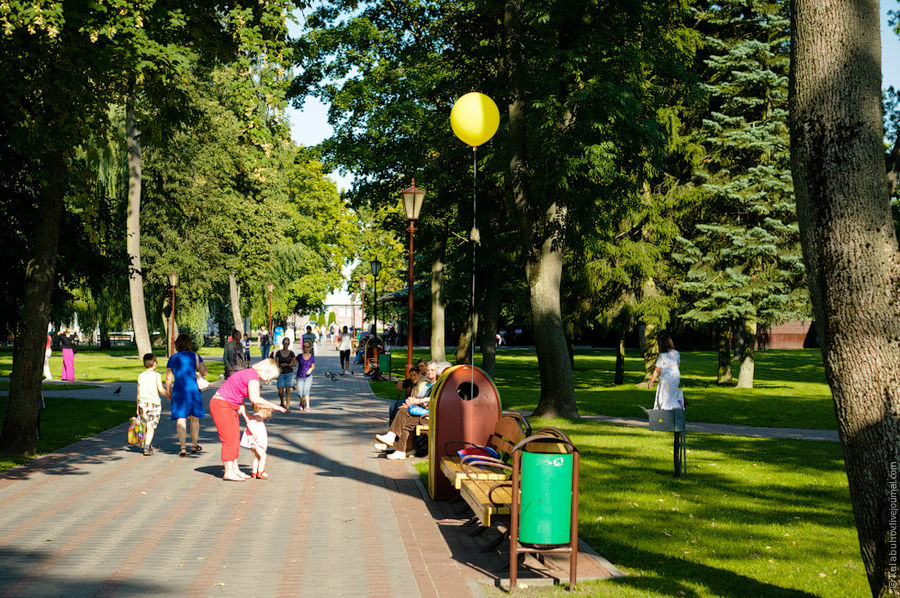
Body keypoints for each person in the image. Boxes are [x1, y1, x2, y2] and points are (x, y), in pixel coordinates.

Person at [208, 359, 285, 481]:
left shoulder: (249, 374)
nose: (269, 381)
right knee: (229, 439)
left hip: (230, 405)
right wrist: (274, 406)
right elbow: (255, 399)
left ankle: (235, 469)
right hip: (222, 405)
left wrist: (247, 417)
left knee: (234, 438)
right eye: (271, 377)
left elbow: (239, 397)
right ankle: (228, 471)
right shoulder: (253, 377)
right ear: (266, 371)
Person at [374, 361, 438, 459]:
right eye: (428, 370)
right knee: (403, 412)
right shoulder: (428, 384)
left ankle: (396, 446)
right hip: (422, 411)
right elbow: (420, 398)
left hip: (429, 415)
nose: (430, 372)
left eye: (433, 370)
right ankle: (396, 443)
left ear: (437, 371)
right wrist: (412, 402)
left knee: (405, 416)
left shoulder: (437, 385)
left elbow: (432, 400)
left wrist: (416, 401)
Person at [166, 333, 208, 457]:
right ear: (189, 344)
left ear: (177, 345)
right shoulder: (195, 356)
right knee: (194, 419)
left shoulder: (173, 358)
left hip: (179, 391)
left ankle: (183, 447)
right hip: (193, 391)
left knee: (181, 419)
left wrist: (168, 391)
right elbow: (204, 372)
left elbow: (169, 378)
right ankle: (194, 444)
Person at [136, 353, 168, 456]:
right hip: (154, 404)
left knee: (144, 425)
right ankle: (147, 446)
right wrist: (170, 396)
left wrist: (137, 406)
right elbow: (160, 389)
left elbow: (138, 391)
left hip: (142, 403)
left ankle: (146, 443)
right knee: (151, 426)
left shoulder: (140, 376)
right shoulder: (157, 375)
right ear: (154, 363)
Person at [648, 333, 683, 409]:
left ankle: (663, 416)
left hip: (665, 379)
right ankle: (674, 414)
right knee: (673, 397)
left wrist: (651, 382)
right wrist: (679, 381)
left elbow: (657, 370)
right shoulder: (676, 353)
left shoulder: (662, 355)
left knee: (663, 398)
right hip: (675, 378)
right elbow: (677, 367)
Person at [239, 405, 272, 479]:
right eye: (267, 415)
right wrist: (253, 433)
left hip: (254, 442)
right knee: (263, 456)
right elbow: (249, 424)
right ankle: (260, 472)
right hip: (257, 441)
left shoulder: (256, 417)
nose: (266, 417)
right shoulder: (257, 417)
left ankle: (254, 472)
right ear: (264, 411)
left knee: (257, 457)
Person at [274, 336, 297, 411]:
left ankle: (287, 407)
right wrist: (278, 368)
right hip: (281, 373)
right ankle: (282, 402)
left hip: (289, 373)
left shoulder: (291, 353)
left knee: (288, 390)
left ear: (289, 344)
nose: (286, 344)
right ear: (282, 343)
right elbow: (276, 363)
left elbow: (295, 363)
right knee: (280, 391)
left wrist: (287, 365)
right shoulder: (278, 353)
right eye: (285, 342)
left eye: (287, 342)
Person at [294, 341, 316, 411]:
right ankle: (301, 402)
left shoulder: (311, 357)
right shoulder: (299, 356)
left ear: (310, 348)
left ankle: (308, 406)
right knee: (300, 392)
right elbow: (294, 364)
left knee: (306, 390)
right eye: (304, 346)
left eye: (307, 347)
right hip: (300, 376)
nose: (305, 348)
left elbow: (313, 366)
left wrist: (310, 369)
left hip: (308, 377)